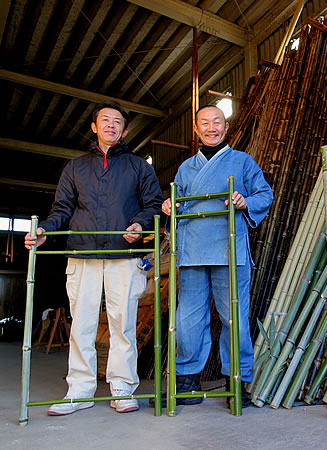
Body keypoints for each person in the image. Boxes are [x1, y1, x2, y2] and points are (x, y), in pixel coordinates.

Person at [25, 101, 163, 415]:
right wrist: (45, 230)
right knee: (82, 325)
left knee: (123, 324)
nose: (111, 125)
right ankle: (80, 390)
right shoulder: (75, 168)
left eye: (118, 122)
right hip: (82, 254)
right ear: (94, 126)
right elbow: (61, 210)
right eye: (105, 120)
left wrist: (140, 225)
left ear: (125, 130)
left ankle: (123, 388)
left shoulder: (139, 167)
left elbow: (154, 205)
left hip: (123, 255)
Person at [160, 105, 273, 407]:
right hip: (193, 251)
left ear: (226, 127)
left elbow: (265, 195)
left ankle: (237, 381)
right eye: (204, 123)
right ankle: (186, 381)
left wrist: (244, 200)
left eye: (217, 122)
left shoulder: (243, 162)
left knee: (234, 318)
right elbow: (178, 203)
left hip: (229, 250)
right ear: (196, 129)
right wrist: (170, 206)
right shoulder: (186, 168)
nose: (211, 128)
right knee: (187, 320)